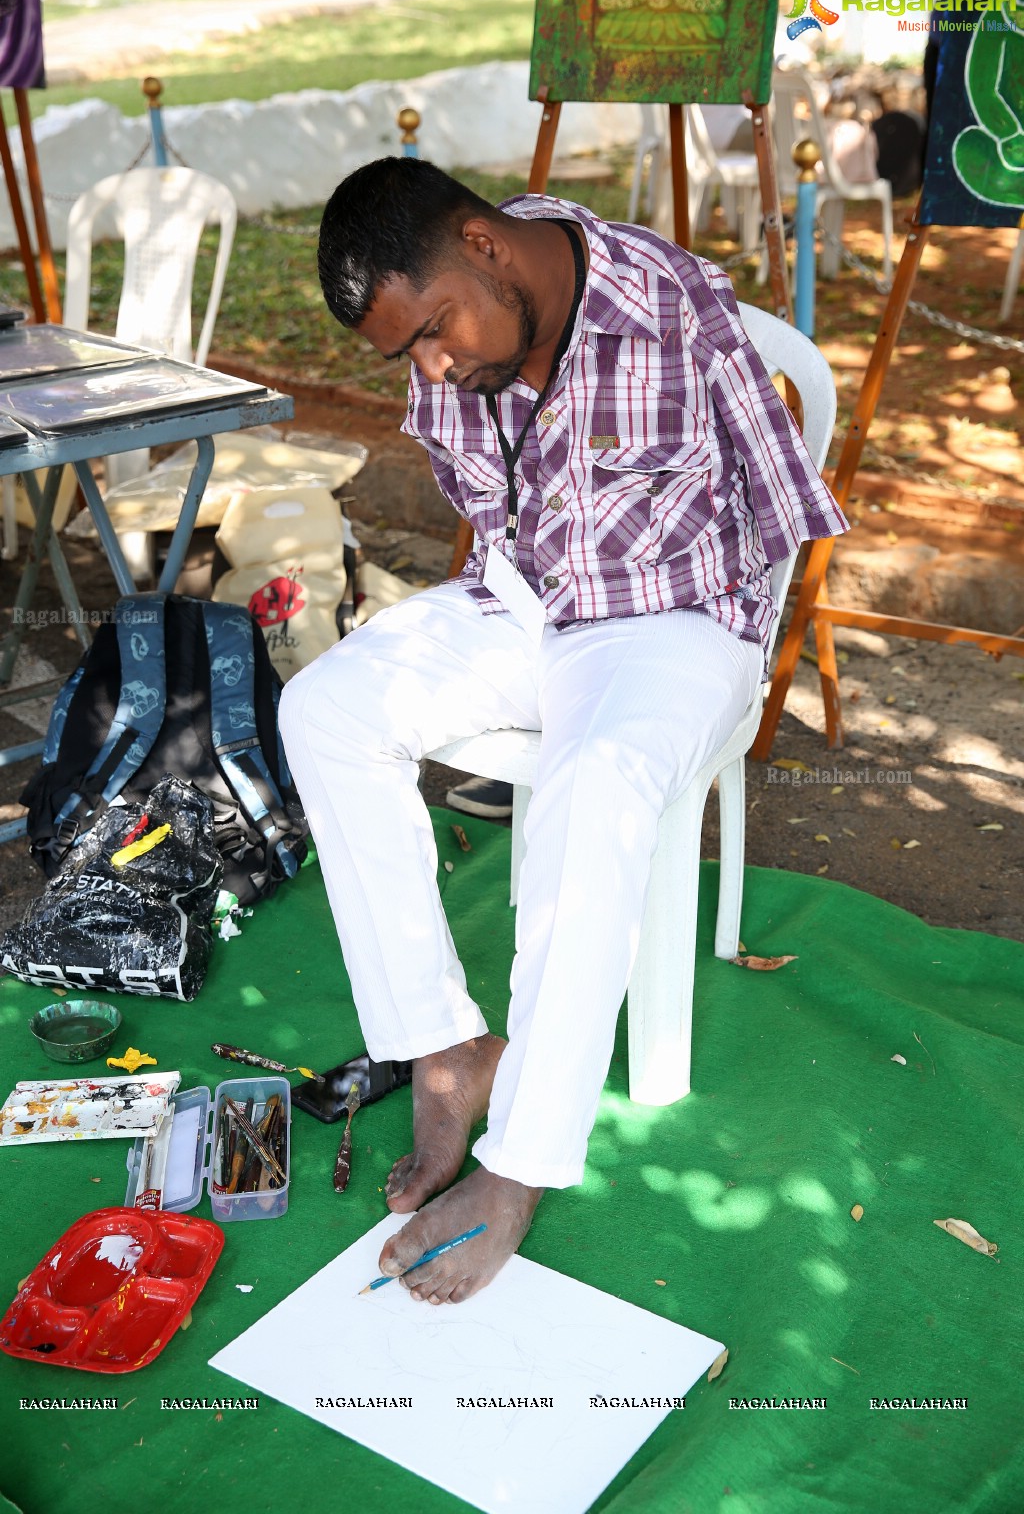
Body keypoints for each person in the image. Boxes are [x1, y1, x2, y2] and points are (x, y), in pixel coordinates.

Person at [280, 156, 847, 1305]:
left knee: (594, 785)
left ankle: (519, 1166)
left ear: (484, 247)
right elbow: (492, 520)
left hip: (678, 623)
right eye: (411, 353)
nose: (433, 366)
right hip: (530, 603)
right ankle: (444, 1047)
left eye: (434, 330)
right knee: (324, 708)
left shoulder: (667, 304)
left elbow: (784, 511)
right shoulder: (458, 339)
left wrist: (708, 682)